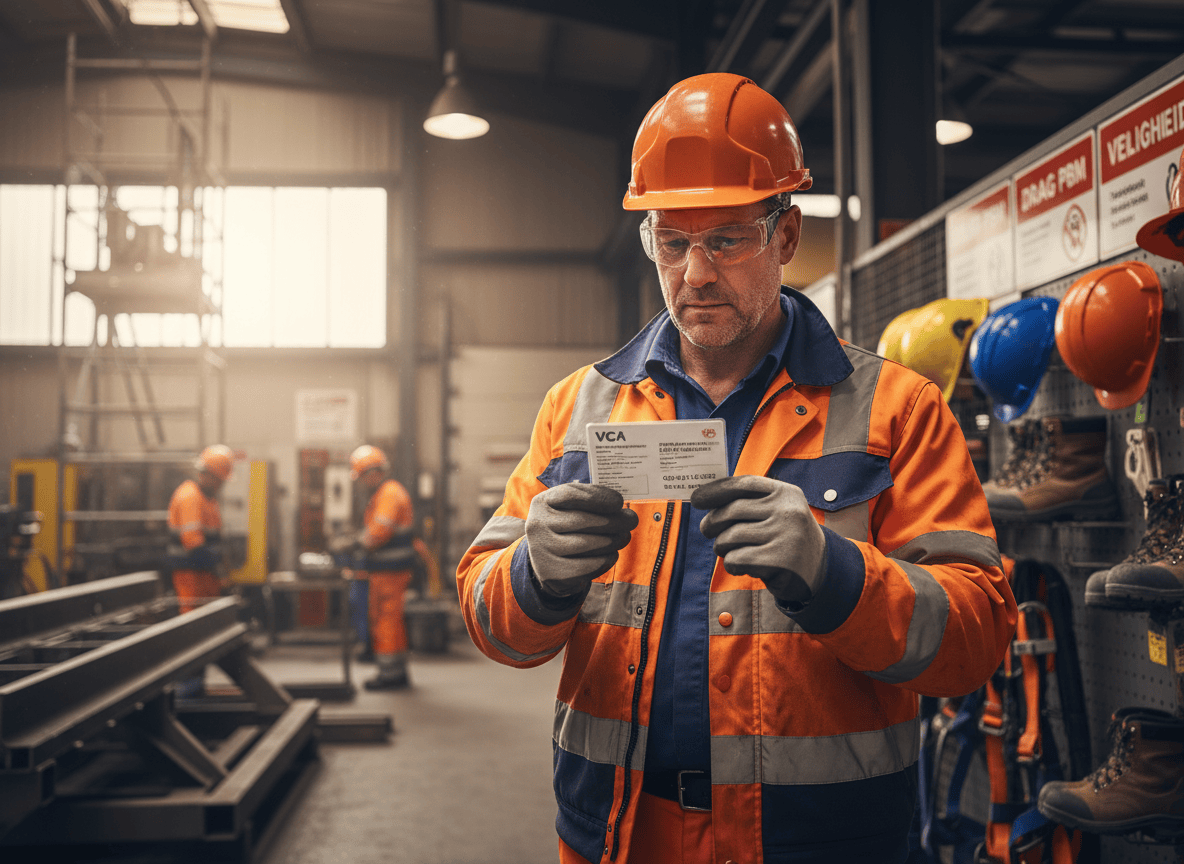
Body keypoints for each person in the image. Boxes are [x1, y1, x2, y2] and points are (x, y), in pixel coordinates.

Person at [456, 72, 1018, 864]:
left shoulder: (898, 409)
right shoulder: (577, 407)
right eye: (673, 242)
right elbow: (490, 619)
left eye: (726, 239)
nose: (695, 274)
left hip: (826, 845)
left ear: (785, 237)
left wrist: (834, 574)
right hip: (618, 836)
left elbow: (976, 639)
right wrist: (534, 575)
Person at [346, 444, 416, 690]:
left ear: (371, 473)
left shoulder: (389, 493)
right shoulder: (386, 492)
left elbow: (379, 531)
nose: (362, 483)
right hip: (387, 570)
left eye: (362, 477)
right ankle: (396, 671)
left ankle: (390, 675)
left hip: (390, 571)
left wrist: (355, 542)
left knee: (386, 620)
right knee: (389, 620)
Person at [168, 444, 233, 614]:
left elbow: (215, 538)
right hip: (191, 573)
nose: (221, 485)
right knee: (193, 616)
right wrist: (219, 571)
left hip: (206, 573)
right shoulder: (190, 497)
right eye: (219, 480)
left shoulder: (209, 500)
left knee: (209, 616)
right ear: (208, 475)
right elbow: (193, 544)